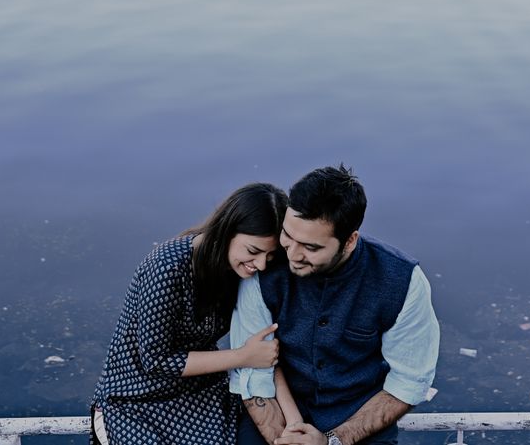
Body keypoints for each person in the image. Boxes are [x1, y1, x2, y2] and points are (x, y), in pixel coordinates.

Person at [230, 165, 440, 445]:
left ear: (350, 241)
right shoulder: (263, 267)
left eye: (311, 247)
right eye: (288, 236)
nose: (292, 254)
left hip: (358, 422)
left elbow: (408, 382)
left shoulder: (404, 281)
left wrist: (333, 441)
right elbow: (254, 373)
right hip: (278, 411)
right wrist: (282, 440)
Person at [92, 182, 289, 445]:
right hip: (135, 396)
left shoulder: (239, 271)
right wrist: (243, 356)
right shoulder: (167, 269)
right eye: (253, 251)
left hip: (198, 391)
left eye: (270, 255)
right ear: (226, 231)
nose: (261, 264)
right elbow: (156, 361)